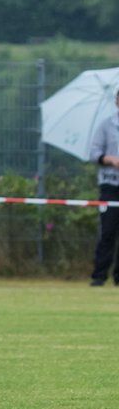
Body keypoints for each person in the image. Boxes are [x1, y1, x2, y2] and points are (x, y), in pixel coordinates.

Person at [88, 89, 119, 286]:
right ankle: (99, 276)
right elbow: (94, 153)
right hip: (110, 184)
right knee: (107, 231)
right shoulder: (106, 125)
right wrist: (110, 159)